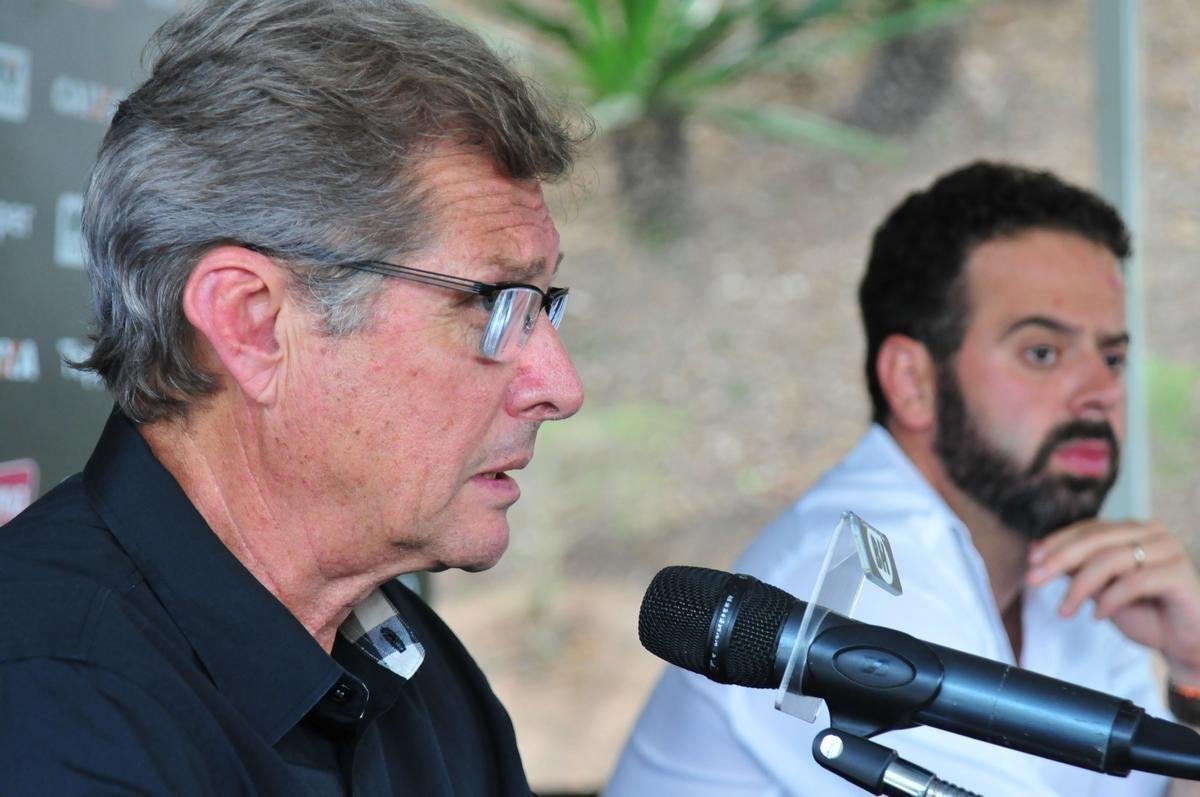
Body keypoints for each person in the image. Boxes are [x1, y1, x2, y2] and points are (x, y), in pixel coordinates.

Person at [0, 1, 587, 793]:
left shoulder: (429, 676)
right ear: (252, 324)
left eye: (541, 306)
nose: (560, 387)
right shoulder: (47, 703)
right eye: (490, 303)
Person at [607, 162, 1200, 796]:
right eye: (1043, 352)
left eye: (1112, 357)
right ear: (913, 381)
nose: (1100, 393)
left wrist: (1194, 674)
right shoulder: (850, 574)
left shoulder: (1071, 571)